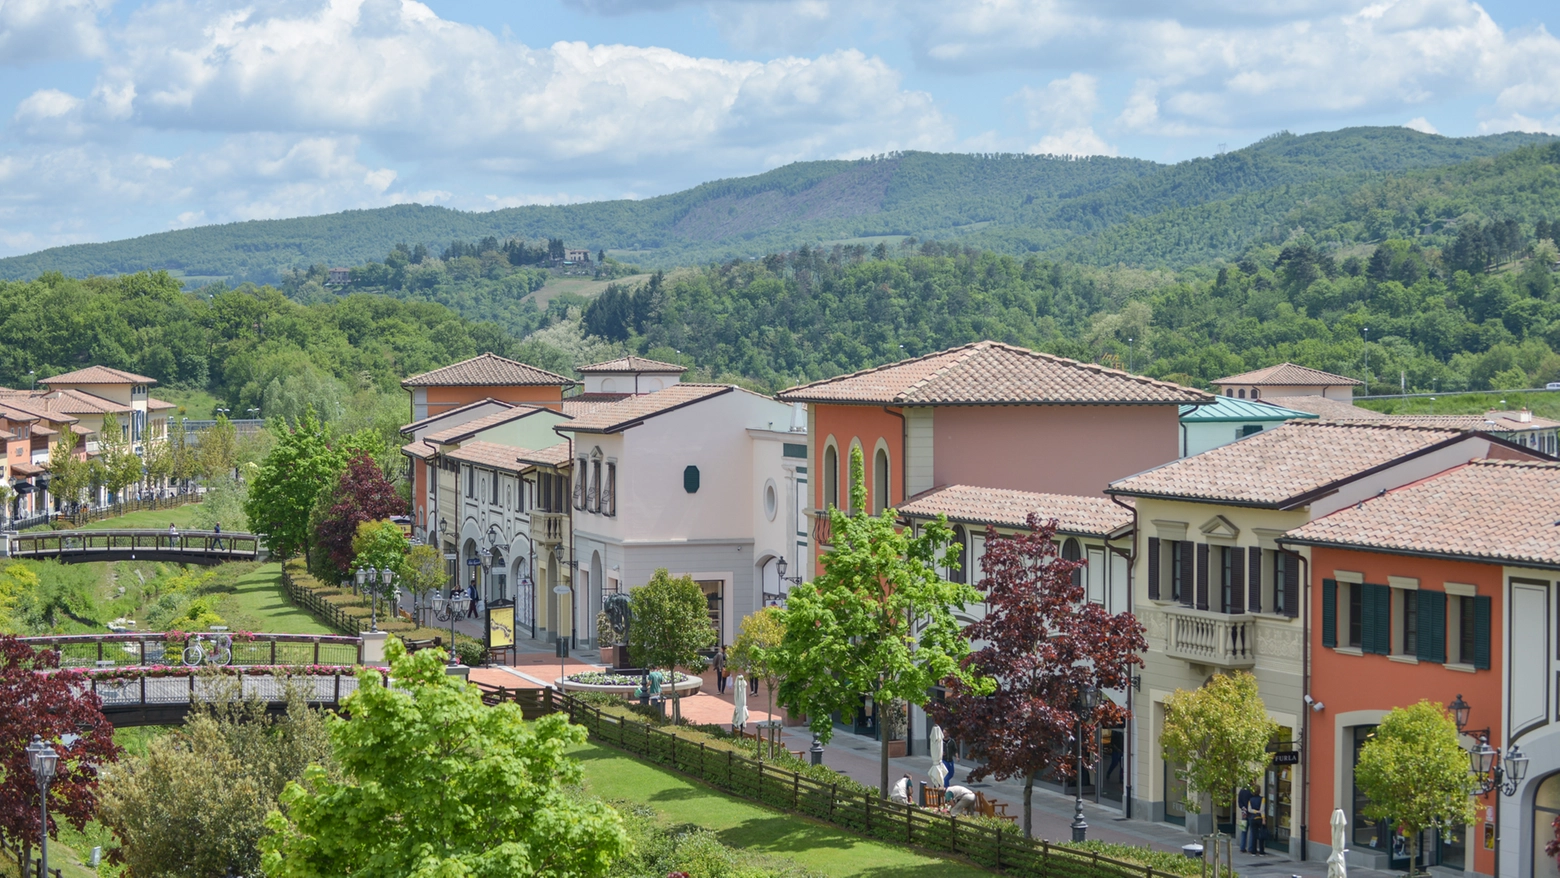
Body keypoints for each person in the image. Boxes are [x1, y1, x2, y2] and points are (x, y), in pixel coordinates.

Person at [1238, 786, 1254, 853]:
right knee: (1251, 831)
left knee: (1243, 831)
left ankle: (1242, 847)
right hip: (1251, 813)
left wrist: (1243, 808)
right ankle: (1250, 848)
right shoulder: (1252, 791)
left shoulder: (1241, 791)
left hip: (1243, 813)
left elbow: (1239, 803)